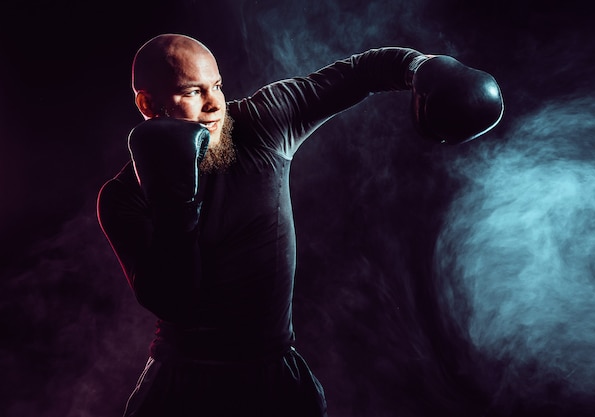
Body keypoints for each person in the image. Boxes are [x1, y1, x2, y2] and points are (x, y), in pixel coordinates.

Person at [96, 33, 503, 417]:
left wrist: (424, 67)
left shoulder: (262, 123)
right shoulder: (122, 197)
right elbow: (172, 300)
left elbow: (360, 73)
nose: (214, 104)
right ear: (148, 105)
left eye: (216, 86)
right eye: (192, 91)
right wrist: (173, 200)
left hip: (272, 374)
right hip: (181, 382)